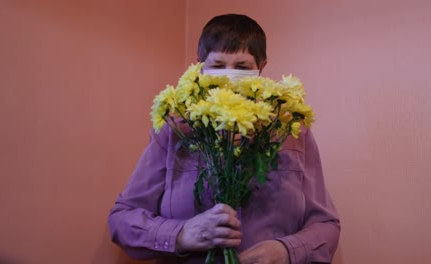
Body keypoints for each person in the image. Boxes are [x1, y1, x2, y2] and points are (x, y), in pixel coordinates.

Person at [108, 14, 340, 264]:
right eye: (217, 66)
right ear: (200, 67)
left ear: (261, 67)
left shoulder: (290, 131)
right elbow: (122, 220)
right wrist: (182, 235)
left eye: (241, 67)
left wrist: (287, 251)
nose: (229, 76)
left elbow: (326, 225)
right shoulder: (175, 130)